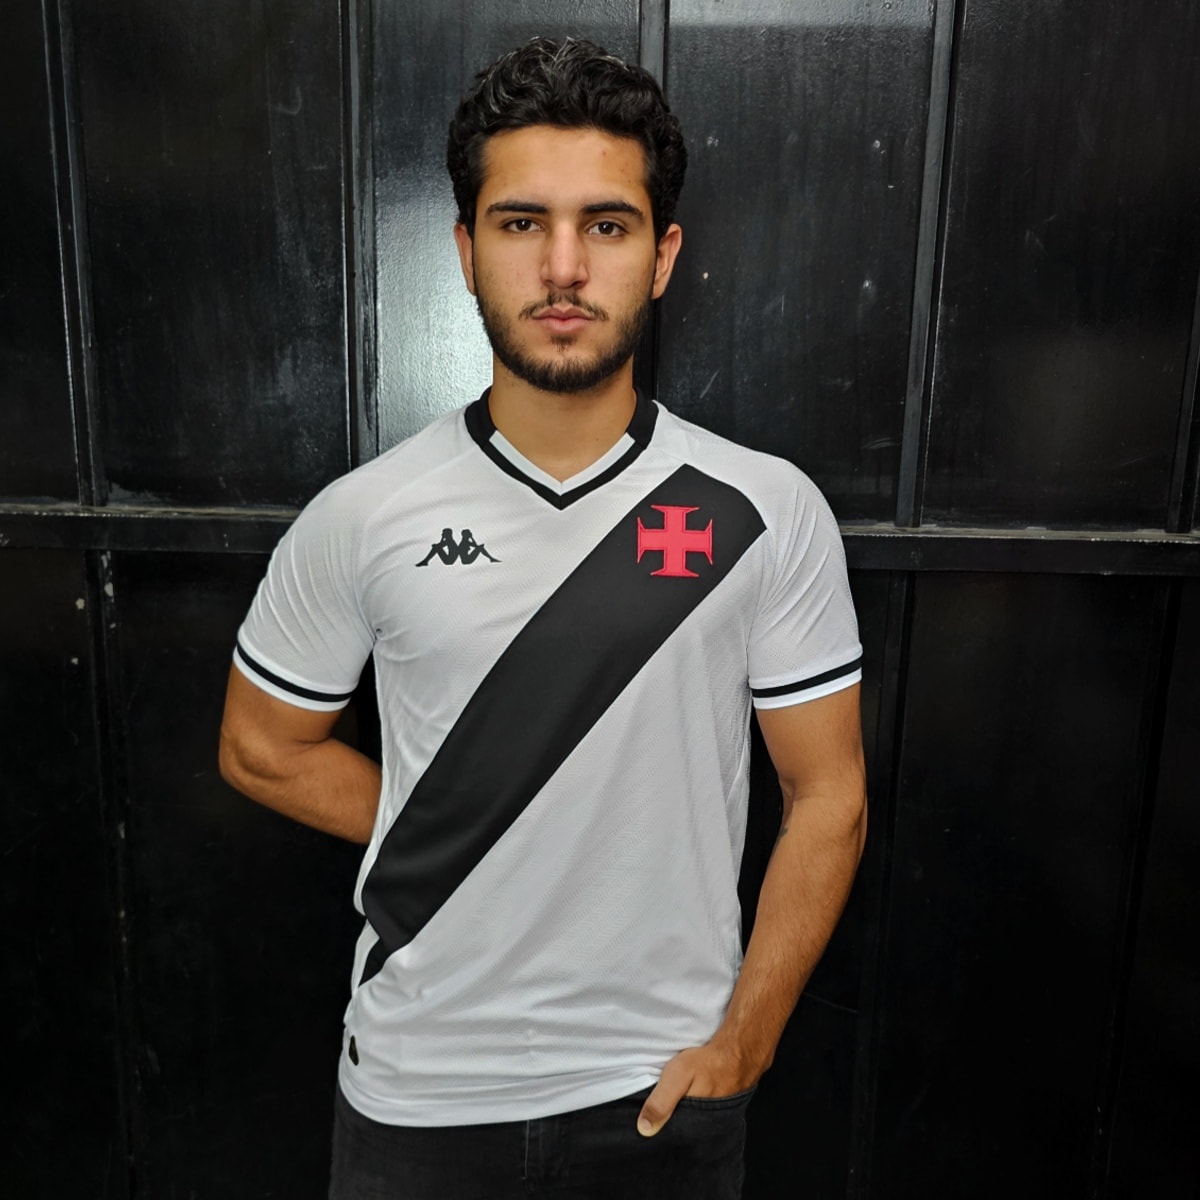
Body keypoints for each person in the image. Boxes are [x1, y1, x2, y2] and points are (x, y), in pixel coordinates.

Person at [219, 36, 866, 1200]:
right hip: (419, 1096)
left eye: (606, 226)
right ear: (466, 251)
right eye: (522, 223)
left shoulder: (761, 509)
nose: (564, 267)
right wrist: (478, 820)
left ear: (662, 256)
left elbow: (828, 797)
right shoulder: (364, 516)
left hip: (664, 1095)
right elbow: (261, 749)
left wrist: (746, 1044)